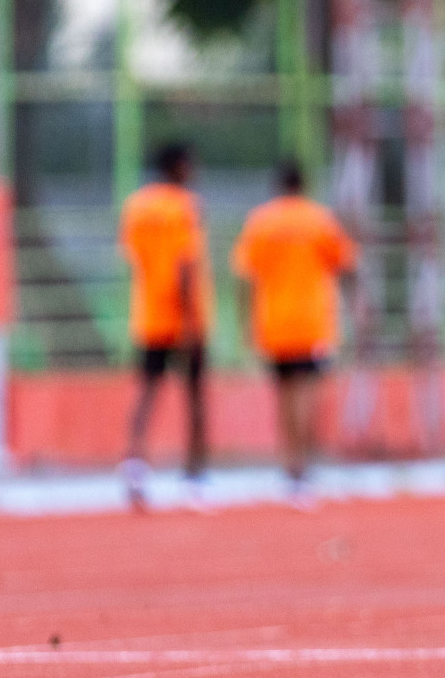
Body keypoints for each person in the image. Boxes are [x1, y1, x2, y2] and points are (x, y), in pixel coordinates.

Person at [233, 161, 357, 509]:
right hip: (312, 323)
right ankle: (301, 469)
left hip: (273, 322)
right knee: (307, 394)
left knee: (285, 394)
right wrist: (358, 309)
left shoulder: (261, 222)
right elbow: (346, 265)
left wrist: (247, 324)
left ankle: (290, 467)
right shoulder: (319, 220)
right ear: (304, 183)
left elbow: (245, 276)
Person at [119, 143, 214, 512]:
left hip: (149, 314)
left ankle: (134, 466)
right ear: (179, 167)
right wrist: (191, 318)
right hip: (185, 318)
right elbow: (184, 264)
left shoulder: (137, 206)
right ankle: (195, 475)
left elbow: (135, 259)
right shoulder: (185, 206)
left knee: (146, 392)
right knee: (195, 398)